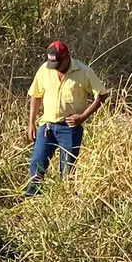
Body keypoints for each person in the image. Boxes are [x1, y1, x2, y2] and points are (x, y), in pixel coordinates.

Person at [24, 41, 110, 195]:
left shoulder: (84, 72)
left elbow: (102, 95)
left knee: (67, 170)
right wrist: (31, 123)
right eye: (52, 63)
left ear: (66, 58)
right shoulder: (44, 69)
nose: (55, 67)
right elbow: (36, 96)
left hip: (70, 128)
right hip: (47, 127)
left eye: (57, 63)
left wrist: (83, 116)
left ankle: (66, 201)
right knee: (37, 164)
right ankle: (32, 197)